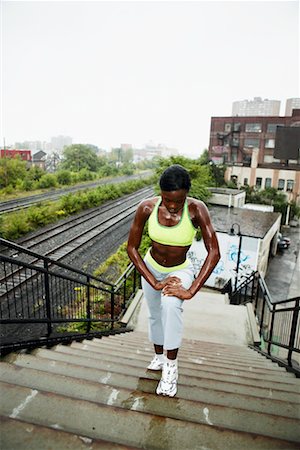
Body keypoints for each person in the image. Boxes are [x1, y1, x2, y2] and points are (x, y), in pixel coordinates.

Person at [127, 164, 220, 397]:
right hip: (151, 267)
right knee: (154, 314)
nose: (171, 205)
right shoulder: (146, 208)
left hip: (180, 269)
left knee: (170, 306)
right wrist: (152, 280)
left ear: (187, 193)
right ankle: (158, 357)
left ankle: (170, 367)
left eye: (177, 201)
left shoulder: (196, 210)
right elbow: (132, 248)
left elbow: (214, 252)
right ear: (161, 193)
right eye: (167, 199)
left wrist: (191, 290)